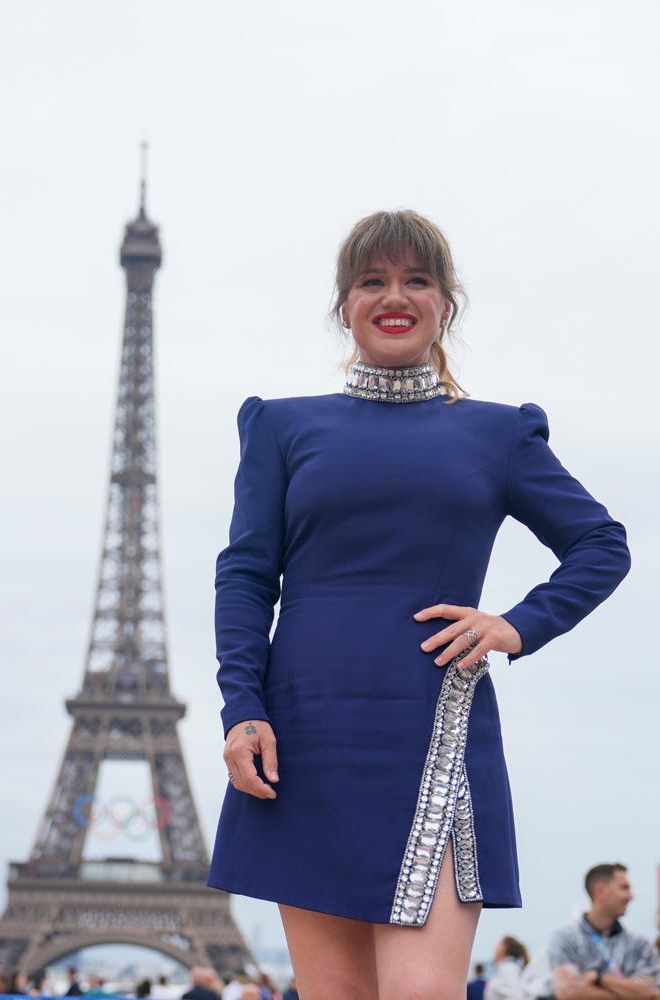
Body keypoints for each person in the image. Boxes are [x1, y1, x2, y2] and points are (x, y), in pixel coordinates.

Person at [206, 209, 632, 999]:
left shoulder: (498, 434)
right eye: (372, 281)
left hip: (429, 732)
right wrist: (243, 709)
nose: (392, 296)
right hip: (303, 739)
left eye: (415, 280)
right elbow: (245, 576)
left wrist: (514, 625)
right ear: (344, 304)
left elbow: (601, 545)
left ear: (446, 304)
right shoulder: (281, 426)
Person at [548, 863, 660, 998]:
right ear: (600, 890)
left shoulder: (639, 945)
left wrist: (599, 978)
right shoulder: (566, 939)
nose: (631, 896)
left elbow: (649, 992)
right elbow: (568, 993)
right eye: (624, 888)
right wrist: (629, 991)